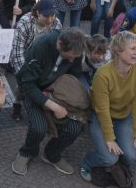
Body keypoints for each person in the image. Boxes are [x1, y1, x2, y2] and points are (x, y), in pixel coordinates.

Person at [12, 28, 87, 176]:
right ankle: (27, 152)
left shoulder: (76, 50)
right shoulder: (40, 48)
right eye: (70, 57)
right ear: (60, 44)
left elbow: (74, 75)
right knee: (38, 128)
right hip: (34, 90)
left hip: (57, 92)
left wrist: (63, 99)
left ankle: (52, 154)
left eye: (75, 57)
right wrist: (52, 105)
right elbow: (27, 84)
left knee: (75, 128)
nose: (72, 60)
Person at [80, 32, 136, 182]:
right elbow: (102, 110)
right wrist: (110, 138)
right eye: (132, 48)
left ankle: (115, 157)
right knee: (109, 159)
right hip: (100, 116)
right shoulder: (103, 74)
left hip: (123, 116)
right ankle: (87, 163)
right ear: (118, 50)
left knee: (130, 158)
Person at [8, 0, 63, 121]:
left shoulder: (57, 23)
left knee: (42, 83)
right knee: (23, 83)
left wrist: (52, 68)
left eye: (53, 16)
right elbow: (17, 52)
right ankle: (17, 102)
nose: (50, 20)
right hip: (26, 56)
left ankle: (39, 105)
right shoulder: (24, 22)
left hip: (45, 58)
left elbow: (58, 48)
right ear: (38, 13)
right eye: (46, 16)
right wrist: (24, 75)